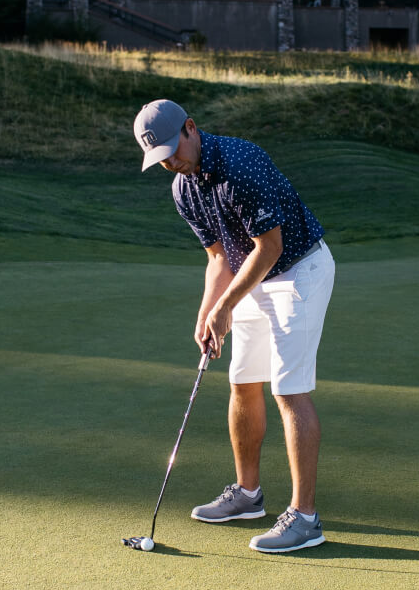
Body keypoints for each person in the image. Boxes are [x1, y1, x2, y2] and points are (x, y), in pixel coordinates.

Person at [133, 99, 335, 553]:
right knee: (243, 381)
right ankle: (247, 496)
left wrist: (226, 306)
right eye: (159, 157)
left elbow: (269, 247)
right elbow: (219, 256)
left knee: (287, 389)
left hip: (299, 269)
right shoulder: (183, 186)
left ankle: (305, 518)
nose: (169, 162)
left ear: (191, 128)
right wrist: (208, 313)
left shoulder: (241, 163)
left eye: (171, 149)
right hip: (251, 278)